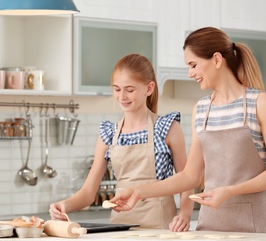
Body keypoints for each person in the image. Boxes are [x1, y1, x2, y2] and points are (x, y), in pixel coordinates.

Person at [109, 27, 266, 234]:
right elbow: (190, 176)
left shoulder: (260, 103)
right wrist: (139, 192)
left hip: (256, 228)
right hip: (211, 227)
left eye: (193, 65)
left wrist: (230, 191)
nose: (190, 73)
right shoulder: (202, 109)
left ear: (216, 59)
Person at [49, 53, 194, 230]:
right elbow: (88, 192)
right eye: (117, 89)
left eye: (129, 90)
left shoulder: (167, 128)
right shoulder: (108, 134)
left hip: (161, 227)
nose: (122, 96)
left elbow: (187, 181)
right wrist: (64, 206)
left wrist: (185, 215)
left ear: (149, 89)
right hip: (121, 228)